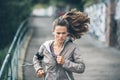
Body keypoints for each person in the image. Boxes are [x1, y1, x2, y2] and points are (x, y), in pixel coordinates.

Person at [33, 9, 90, 80]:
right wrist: (39, 69)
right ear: (53, 32)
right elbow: (36, 58)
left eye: (63, 33)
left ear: (67, 33)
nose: (61, 36)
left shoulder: (73, 48)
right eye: (58, 33)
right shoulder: (45, 46)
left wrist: (65, 62)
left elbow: (81, 68)